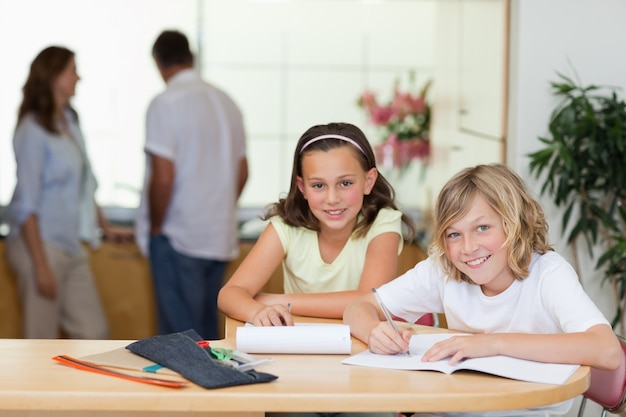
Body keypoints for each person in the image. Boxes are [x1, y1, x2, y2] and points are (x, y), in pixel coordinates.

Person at [344, 163, 622, 417]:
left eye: (482, 228)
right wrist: (373, 331)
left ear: (515, 225)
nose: (467, 247)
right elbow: (358, 308)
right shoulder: (444, 268)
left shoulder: (548, 274)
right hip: (456, 405)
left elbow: (607, 351)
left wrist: (493, 343)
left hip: (526, 411)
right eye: (454, 234)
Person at [218, 122, 416, 328]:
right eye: (318, 185)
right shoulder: (286, 228)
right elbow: (229, 294)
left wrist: (276, 302)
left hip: (360, 345)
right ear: (302, 187)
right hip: (298, 345)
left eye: (345, 183)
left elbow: (372, 302)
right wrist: (256, 311)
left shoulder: (383, 223)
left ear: (368, 181)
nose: (332, 198)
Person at [5, 46, 133, 339]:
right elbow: (26, 204)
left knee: (94, 334)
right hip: (41, 246)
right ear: (53, 76)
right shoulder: (32, 130)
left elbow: (84, 183)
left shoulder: (69, 121)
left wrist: (104, 226)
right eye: (72, 70)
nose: (79, 77)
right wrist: (40, 265)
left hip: (72, 245)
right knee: (40, 340)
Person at [135, 30, 248, 340]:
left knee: (179, 341)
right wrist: (219, 206)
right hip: (220, 234)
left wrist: (156, 229)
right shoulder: (227, 103)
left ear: (158, 63)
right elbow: (242, 171)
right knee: (208, 336)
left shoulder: (165, 103)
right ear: (190, 57)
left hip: (178, 236)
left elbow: (163, 177)